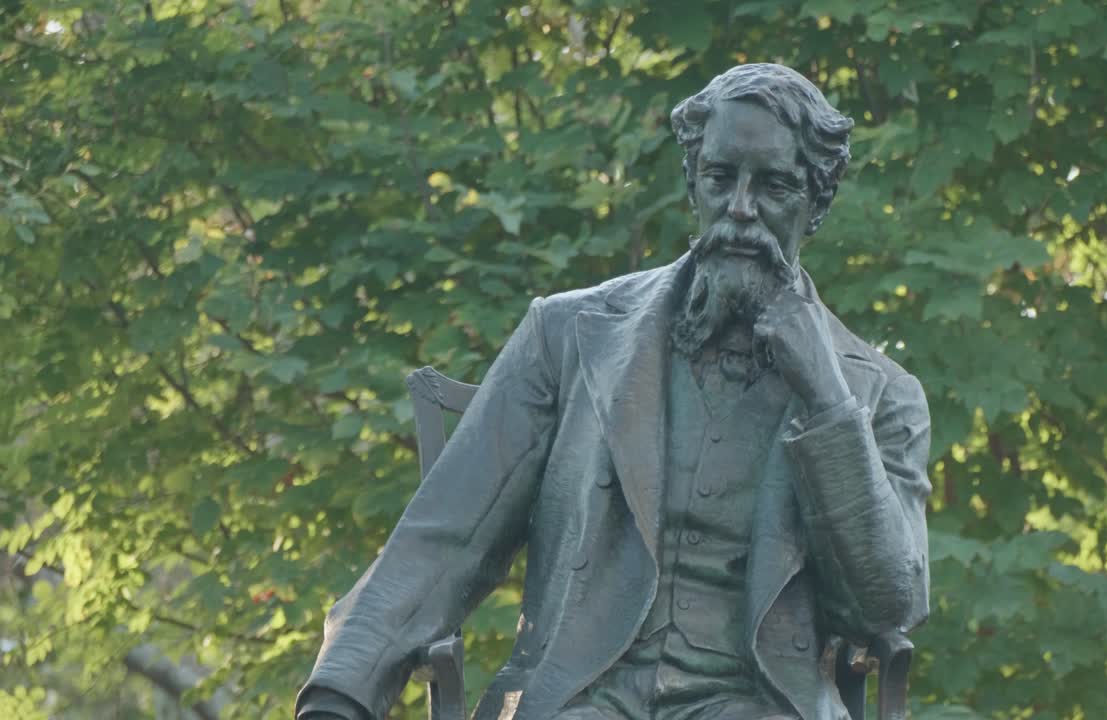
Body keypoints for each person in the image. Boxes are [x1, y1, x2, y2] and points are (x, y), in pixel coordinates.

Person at [297, 63, 931, 720]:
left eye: (773, 186)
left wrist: (826, 401)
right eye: (720, 179)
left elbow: (888, 603)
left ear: (816, 203)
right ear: (693, 183)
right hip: (577, 696)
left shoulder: (879, 395)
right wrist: (338, 696)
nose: (740, 209)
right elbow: (444, 536)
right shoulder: (569, 333)